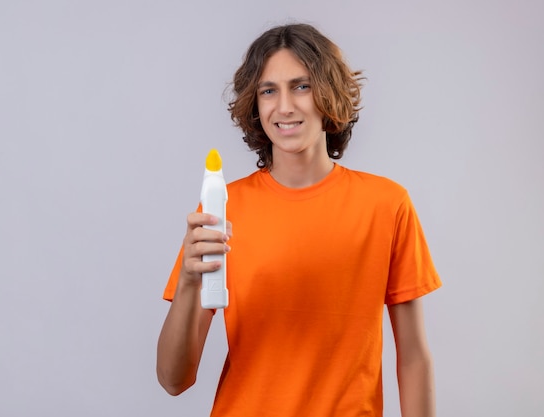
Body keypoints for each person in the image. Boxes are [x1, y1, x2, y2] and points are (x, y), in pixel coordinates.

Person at [157, 23, 442, 417]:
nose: (285, 105)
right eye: (268, 90)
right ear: (254, 104)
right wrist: (189, 282)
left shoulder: (387, 204)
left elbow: (412, 358)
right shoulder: (224, 210)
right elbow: (174, 380)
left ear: (329, 94)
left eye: (301, 86)